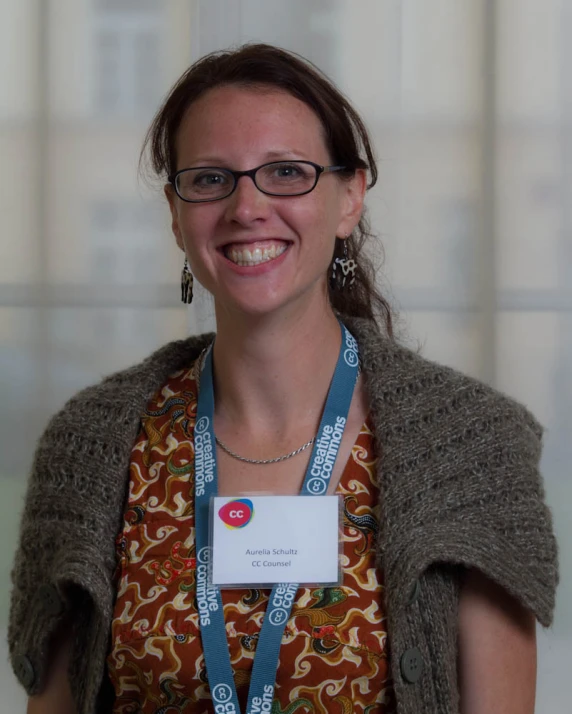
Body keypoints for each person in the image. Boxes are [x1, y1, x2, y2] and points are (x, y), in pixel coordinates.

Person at [9, 44, 558, 714]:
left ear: (349, 197)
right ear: (176, 214)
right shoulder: (90, 447)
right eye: (211, 179)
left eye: (287, 172)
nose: (247, 206)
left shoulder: (472, 447)